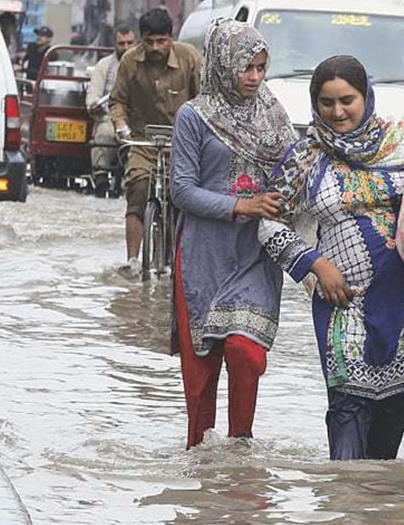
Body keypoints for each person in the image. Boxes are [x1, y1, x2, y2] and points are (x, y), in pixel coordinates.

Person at [258, 56, 404, 460]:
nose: (337, 112)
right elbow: (267, 223)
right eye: (327, 103)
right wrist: (314, 263)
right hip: (341, 299)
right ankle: (344, 501)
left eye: (347, 100)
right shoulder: (305, 158)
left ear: (366, 96)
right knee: (347, 407)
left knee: (394, 411)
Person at [169, 19, 296, 449]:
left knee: (247, 352)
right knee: (200, 375)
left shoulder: (273, 114)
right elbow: (182, 190)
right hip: (203, 255)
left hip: (255, 254)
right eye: (247, 68)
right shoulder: (194, 116)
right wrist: (241, 206)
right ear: (224, 65)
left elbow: (296, 171)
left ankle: (241, 448)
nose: (255, 78)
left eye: (261, 68)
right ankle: (202, 465)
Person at [108, 7, 201, 274]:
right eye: (149, 41)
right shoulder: (129, 61)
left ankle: (179, 258)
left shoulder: (189, 58)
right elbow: (117, 101)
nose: (155, 47)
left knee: (182, 194)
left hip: (183, 142)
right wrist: (122, 128)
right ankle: (133, 259)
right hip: (143, 141)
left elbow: (205, 101)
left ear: (171, 38)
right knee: (137, 184)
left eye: (161, 41)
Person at [86, 25, 136, 196]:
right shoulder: (103, 66)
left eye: (130, 43)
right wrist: (95, 105)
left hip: (136, 120)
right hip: (109, 118)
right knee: (104, 135)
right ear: (115, 44)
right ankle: (100, 180)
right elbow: (92, 97)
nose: (126, 47)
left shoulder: (143, 66)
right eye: (122, 43)